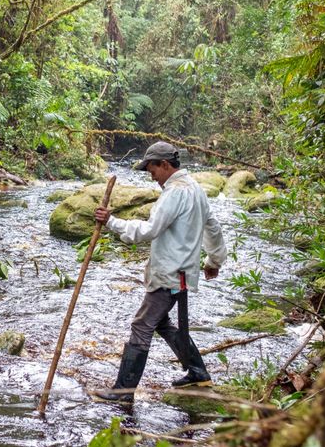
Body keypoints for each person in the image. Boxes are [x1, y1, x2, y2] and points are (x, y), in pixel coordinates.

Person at [92, 141, 228, 403]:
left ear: (165, 165)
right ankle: (197, 371)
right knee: (162, 322)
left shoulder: (175, 192)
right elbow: (213, 226)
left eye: (152, 169)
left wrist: (112, 222)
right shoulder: (195, 188)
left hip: (170, 274)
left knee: (141, 325)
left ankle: (123, 392)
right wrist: (214, 261)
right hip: (183, 272)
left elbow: (150, 230)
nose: (151, 176)